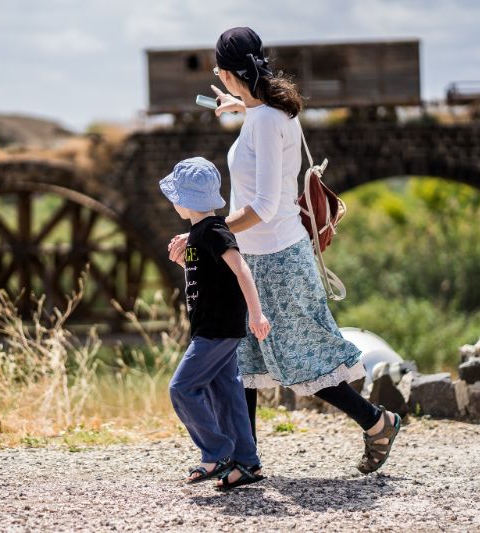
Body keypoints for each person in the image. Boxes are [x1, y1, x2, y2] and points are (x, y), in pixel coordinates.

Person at [167, 27, 401, 475]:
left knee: (300, 359)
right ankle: (245, 458)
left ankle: (377, 422)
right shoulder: (266, 111)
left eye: (218, 67)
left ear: (227, 71)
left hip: (277, 256)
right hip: (252, 253)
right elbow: (262, 139)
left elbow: (268, 206)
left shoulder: (268, 120)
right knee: (243, 358)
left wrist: (206, 233)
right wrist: (241, 107)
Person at [160, 156, 270, 490]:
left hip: (217, 329)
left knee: (182, 388)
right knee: (227, 393)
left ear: (186, 200)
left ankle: (216, 453)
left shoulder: (215, 230)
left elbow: (241, 269)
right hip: (212, 326)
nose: (174, 202)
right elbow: (208, 280)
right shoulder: (197, 235)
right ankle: (246, 463)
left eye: (176, 196)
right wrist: (182, 263)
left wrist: (256, 313)